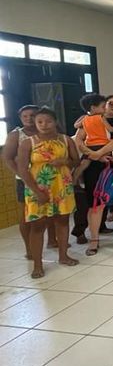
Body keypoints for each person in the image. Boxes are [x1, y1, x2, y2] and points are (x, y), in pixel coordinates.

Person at [16, 107, 79, 278]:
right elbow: (22, 170)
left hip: (62, 187)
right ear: (35, 123)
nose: (44, 125)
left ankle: (63, 256)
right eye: (40, 122)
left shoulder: (66, 140)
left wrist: (65, 161)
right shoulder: (28, 143)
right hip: (37, 188)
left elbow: (76, 161)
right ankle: (38, 265)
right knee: (37, 226)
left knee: (63, 221)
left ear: (55, 122)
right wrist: (37, 191)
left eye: (48, 121)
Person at [74, 94, 113, 255]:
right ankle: (94, 239)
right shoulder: (88, 119)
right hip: (94, 164)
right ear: (103, 105)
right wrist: (92, 154)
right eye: (111, 103)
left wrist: (98, 153)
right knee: (96, 202)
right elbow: (79, 140)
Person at [2, 105, 56, 257]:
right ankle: (29, 249)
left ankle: (52, 240)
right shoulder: (16, 135)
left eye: (32, 115)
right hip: (25, 180)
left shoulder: (46, 132)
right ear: (20, 118)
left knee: (51, 211)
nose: (28, 119)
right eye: (24, 116)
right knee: (26, 216)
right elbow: (8, 158)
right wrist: (22, 175)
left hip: (48, 178)